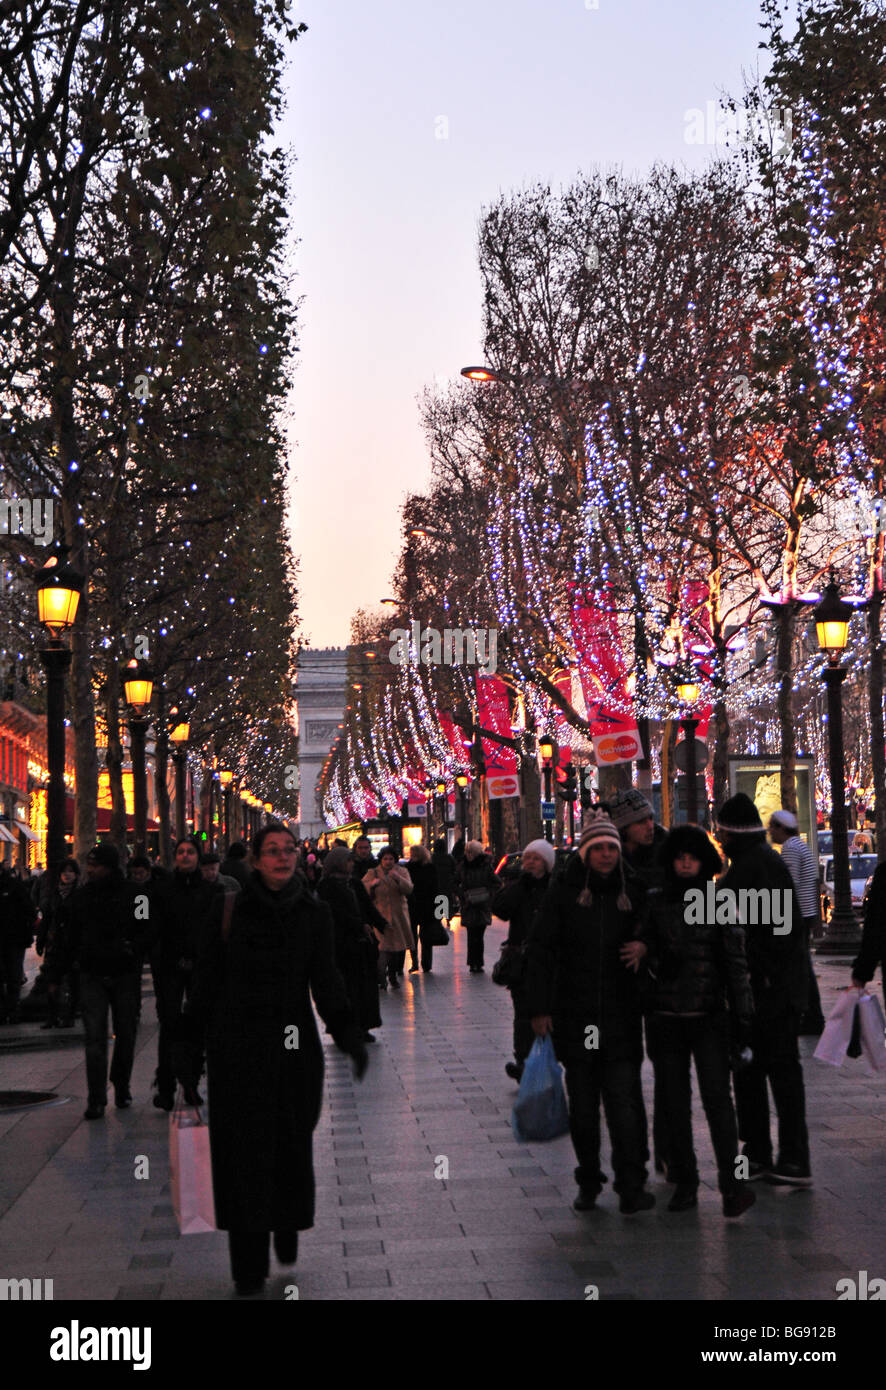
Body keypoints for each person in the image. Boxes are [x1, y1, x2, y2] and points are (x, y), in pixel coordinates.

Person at [186, 823, 368, 1296]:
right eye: (272, 851)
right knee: (242, 1156)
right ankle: (248, 1263)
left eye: (289, 850)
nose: (283, 858)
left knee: (290, 1142)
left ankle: (285, 1222)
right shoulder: (227, 910)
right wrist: (185, 1050)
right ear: (256, 861)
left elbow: (325, 981)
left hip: (294, 1051)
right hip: (236, 1051)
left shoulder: (315, 913)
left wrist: (347, 1031)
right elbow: (203, 982)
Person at [525, 812, 654, 1214]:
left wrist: (645, 945)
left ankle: (631, 1184)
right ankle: (589, 1179)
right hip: (577, 1016)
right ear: (585, 853)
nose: (605, 855)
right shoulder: (563, 892)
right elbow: (541, 952)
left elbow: (658, 928)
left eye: (610, 848)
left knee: (624, 1104)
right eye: (597, 848)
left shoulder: (632, 888)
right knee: (584, 1105)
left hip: (620, 1015)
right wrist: (539, 1009)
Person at [643, 825, 756, 1219]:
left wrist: (743, 1016)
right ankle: (685, 1181)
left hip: (709, 1015)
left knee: (718, 1103)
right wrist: (656, 962)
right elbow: (642, 951)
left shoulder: (717, 900)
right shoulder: (655, 901)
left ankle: (732, 1184)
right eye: (680, 856)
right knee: (675, 1103)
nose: (686, 862)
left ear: (704, 860)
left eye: (692, 855)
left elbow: (735, 962)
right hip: (667, 1016)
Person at [716, 793, 810, 1187]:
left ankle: (768, 1157)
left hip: (764, 991)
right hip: (774, 988)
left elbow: (759, 930)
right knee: (775, 1073)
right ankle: (783, 1157)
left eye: (721, 834)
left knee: (760, 1074)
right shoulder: (760, 863)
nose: (719, 841)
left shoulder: (751, 869)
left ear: (732, 833)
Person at [65, 845, 153, 1117]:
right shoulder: (81, 898)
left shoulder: (136, 896)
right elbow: (70, 933)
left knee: (126, 1033)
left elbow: (148, 930)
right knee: (94, 1037)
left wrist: (132, 950)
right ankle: (96, 1097)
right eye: (89, 864)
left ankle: (121, 1082)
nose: (91, 869)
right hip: (92, 973)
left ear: (111, 867)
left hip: (124, 973)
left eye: (96, 865)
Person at [607, 788, 669, 1175]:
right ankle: (634, 1159)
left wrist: (649, 945)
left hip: (664, 981)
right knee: (624, 1072)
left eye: (649, 818)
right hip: (621, 985)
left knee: (667, 1070)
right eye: (640, 821)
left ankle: (666, 1147)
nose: (649, 825)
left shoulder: (670, 856)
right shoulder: (608, 863)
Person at [150, 837, 224, 1110]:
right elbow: (151, 927)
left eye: (190, 852)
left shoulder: (210, 892)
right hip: (169, 968)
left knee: (196, 1026)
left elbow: (213, 931)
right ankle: (167, 1086)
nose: (184, 856)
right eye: (180, 852)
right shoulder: (161, 890)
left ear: (198, 856)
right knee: (169, 1026)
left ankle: (190, 1082)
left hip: (200, 968)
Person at [492, 838, 554, 1082]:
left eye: (536, 859)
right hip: (522, 962)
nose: (530, 862)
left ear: (547, 864)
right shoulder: (518, 887)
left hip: (550, 961)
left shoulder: (555, 888)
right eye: (527, 858)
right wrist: (521, 885)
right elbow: (501, 909)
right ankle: (523, 1062)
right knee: (523, 1015)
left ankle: (547, 1058)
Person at [316, 846, 383, 1041]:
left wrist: (381, 923)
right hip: (340, 944)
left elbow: (367, 906)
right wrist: (358, 925)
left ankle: (363, 1026)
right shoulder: (326, 886)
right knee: (346, 989)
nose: (352, 864)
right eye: (348, 861)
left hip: (361, 945)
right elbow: (334, 912)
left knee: (364, 988)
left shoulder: (353, 883)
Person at [768, 810, 825, 1035]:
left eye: (773, 826)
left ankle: (810, 1015)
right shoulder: (800, 846)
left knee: (800, 968)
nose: (770, 830)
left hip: (796, 914)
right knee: (803, 966)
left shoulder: (790, 849)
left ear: (783, 828)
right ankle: (812, 1015)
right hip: (806, 912)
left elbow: (788, 883)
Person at [37, 858, 80, 1028]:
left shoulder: (79, 896)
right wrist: (41, 941)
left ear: (76, 875)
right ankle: (52, 1016)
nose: (67, 875)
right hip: (55, 945)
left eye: (70, 871)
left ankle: (69, 1015)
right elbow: (46, 919)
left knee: (73, 982)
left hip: (73, 946)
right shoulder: (54, 896)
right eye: (64, 872)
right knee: (52, 982)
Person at [362, 848, 413, 990]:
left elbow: (409, 888)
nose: (388, 862)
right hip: (380, 917)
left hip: (398, 917)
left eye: (391, 859)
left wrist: (398, 879)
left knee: (397, 949)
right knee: (382, 950)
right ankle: (381, 978)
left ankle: (393, 975)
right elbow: (362, 889)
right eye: (385, 859)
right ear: (381, 860)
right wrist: (371, 886)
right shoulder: (373, 873)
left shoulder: (401, 872)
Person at [0, 858, 37, 1024]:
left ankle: (10, 1010)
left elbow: (28, 910)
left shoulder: (14, 887)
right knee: (11, 976)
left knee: (12, 975)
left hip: (13, 938)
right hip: (14, 938)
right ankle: (9, 1010)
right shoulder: (15, 886)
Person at [456, 840, 498, 973]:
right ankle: (473, 963)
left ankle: (478, 962)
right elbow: (454, 882)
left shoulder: (486, 866)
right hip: (469, 905)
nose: (468, 855)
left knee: (478, 935)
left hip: (482, 905)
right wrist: (462, 895)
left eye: (471, 852)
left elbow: (496, 882)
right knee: (471, 934)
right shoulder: (462, 866)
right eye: (467, 852)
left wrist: (488, 894)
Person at [406, 844, 440, 973]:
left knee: (423, 936)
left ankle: (422, 963)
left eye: (414, 853)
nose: (412, 856)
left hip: (421, 906)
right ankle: (419, 962)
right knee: (417, 936)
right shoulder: (427, 867)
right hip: (421, 906)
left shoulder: (412, 868)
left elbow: (435, 888)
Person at [431, 837, 457, 925]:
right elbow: (454, 869)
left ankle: (439, 918)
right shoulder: (449, 857)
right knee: (447, 900)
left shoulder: (432, 858)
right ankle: (448, 918)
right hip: (447, 883)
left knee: (438, 900)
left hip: (436, 884)